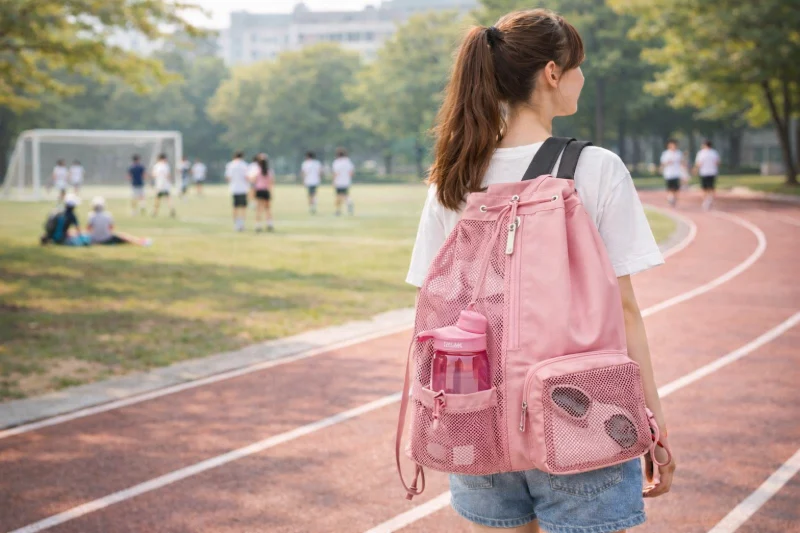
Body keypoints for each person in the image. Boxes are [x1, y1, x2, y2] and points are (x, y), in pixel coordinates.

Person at [405, 10, 675, 533]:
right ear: (553, 73)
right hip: (582, 410)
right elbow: (625, 309)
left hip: (477, 413)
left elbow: (432, 305)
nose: (581, 79)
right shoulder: (595, 168)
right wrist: (652, 420)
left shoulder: (453, 175)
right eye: (579, 67)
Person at [87, 196, 152, 246]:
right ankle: (140, 242)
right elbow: (111, 228)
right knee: (123, 236)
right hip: (107, 239)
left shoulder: (91, 215)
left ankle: (140, 241)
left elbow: (89, 229)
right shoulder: (108, 215)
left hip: (94, 240)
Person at [225, 151, 250, 231]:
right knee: (243, 207)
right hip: (243, 189)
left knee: (235, 207)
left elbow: (228, 178)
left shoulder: (230, 165)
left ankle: (236, 224)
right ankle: (242, 224)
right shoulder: (245, 165)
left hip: (234, 188)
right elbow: (247, 177)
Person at [694, 139, 721, 211]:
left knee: (704, 188)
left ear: (704, 145)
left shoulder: (701, 153)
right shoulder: (714, 153)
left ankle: (706, 200)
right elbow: (717, 163)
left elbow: (699, 163)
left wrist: (695, 170)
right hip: (712, 172)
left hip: (704, 172)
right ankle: (710, 199)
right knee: (711, 187)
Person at [659, 139, 684, 207]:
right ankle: (670, 197)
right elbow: (663, 163)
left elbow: (682, 163)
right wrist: (667, 163)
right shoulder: (666, 153)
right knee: (670, 188)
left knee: (676, 188)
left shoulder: (679, 153)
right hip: (668, 174)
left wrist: (684, 172)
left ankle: (674, 198)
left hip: (676, 173)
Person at [253, 156, 275, 232]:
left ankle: (258, 225)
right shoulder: (269, 171)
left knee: (259, 209)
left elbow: (254, 181)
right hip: (266, 191)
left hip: (259, 191)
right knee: (267, 209)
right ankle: (270, 224)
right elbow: (271, 183)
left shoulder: (257, 171)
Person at [332, 147, 355, 216]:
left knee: (338, 197)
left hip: (339, 182)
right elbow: (351, 173)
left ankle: (338, 211)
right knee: (345, 195)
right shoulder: (348, 162)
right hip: (346, 181)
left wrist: (333, 181)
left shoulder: (336, 162)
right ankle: (349, 202)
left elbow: (336, 173)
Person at [151, 153, 175, 218]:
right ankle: (172, 210)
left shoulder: (156, 166)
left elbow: (153, 175)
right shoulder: (166, 166)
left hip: (159, 185)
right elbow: (168, 175)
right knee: (168, 198)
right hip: (166, 185)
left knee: (157, 199)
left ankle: (155, 212)